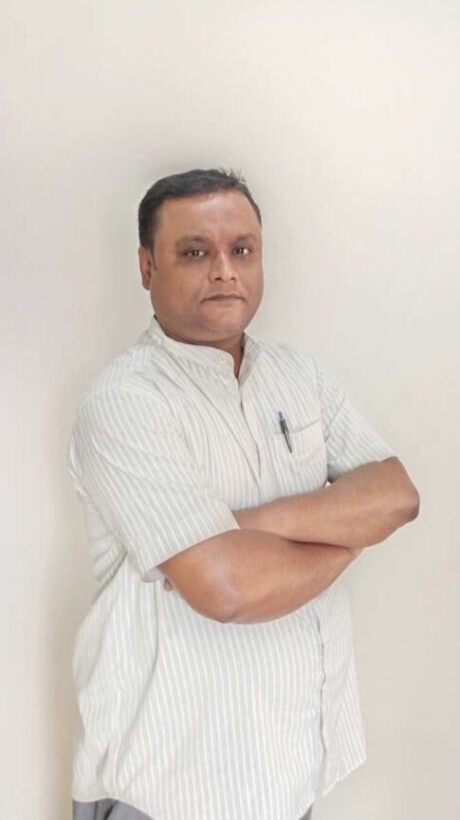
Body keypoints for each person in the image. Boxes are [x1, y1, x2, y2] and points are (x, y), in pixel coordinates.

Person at [68, 167, 420, 820]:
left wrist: (254, 522)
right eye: (195, 252)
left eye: (243, 250)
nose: (225, 270)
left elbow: (397, 495)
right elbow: (226, 590)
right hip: (170, 790)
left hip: (293, 777)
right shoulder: (125, 402)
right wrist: (347, 529)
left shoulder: (299, 374)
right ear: (147, 266)